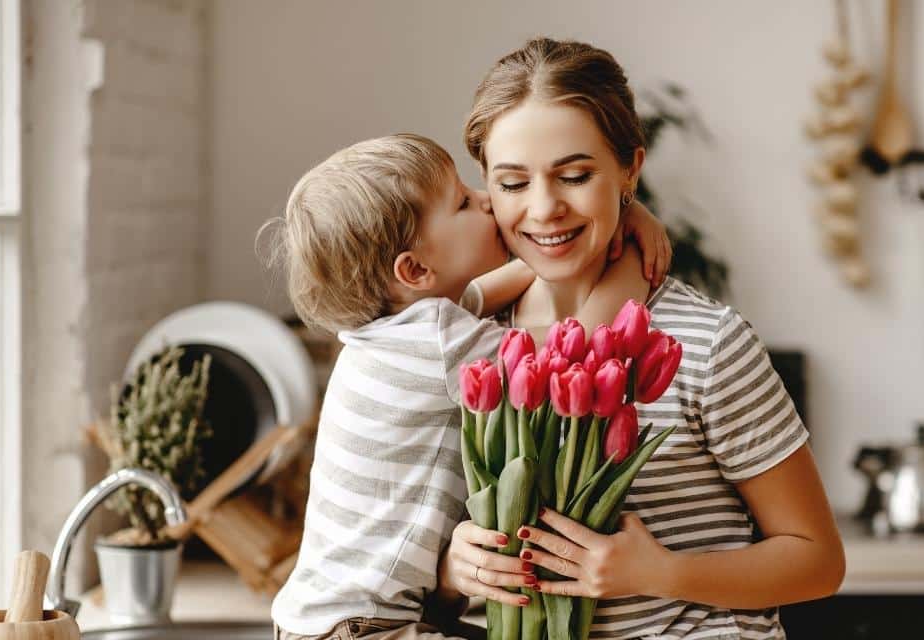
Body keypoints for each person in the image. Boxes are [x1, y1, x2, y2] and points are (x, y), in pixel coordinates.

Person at [437, 38, 845, 639]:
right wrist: (456, 569)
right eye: (514, 184)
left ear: (631, 168)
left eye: (575, 175)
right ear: (486, 187)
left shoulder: (709, 343)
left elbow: (818, 561)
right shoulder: (469, 342)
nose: (545, 208)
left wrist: (662, 573)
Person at [267, 133, 673, 639]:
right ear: (415, 269)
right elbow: (579, 351)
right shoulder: (438, 344)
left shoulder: (386, 334)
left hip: (320, 618)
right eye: (462, 202)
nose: (485, 200)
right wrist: (631, 257)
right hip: (370, 627)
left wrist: (605, 218)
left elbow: (485, 291)